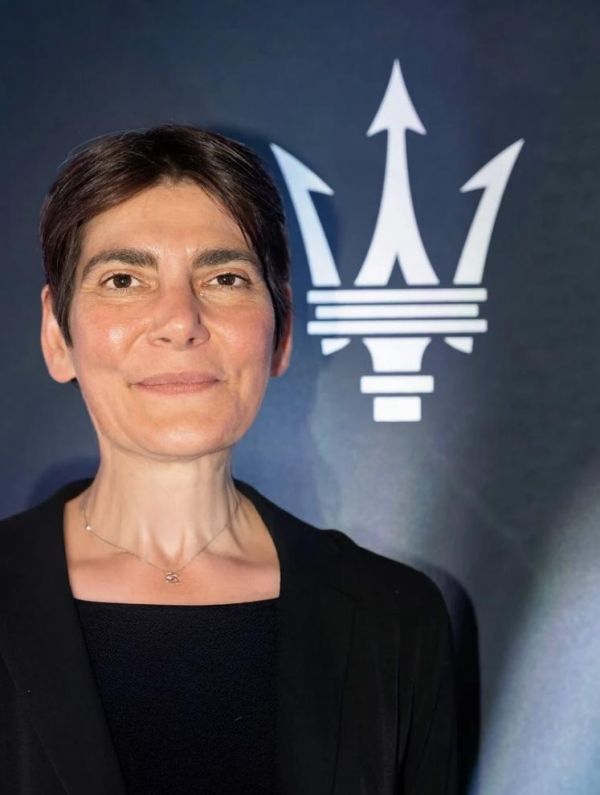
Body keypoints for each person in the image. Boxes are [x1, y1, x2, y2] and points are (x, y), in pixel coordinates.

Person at [0, 125, 457, 794]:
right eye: (124, 279)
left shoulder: (393, 621)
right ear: (56, 334)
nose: (180, 320)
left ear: (282, 331)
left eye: (224, 277)